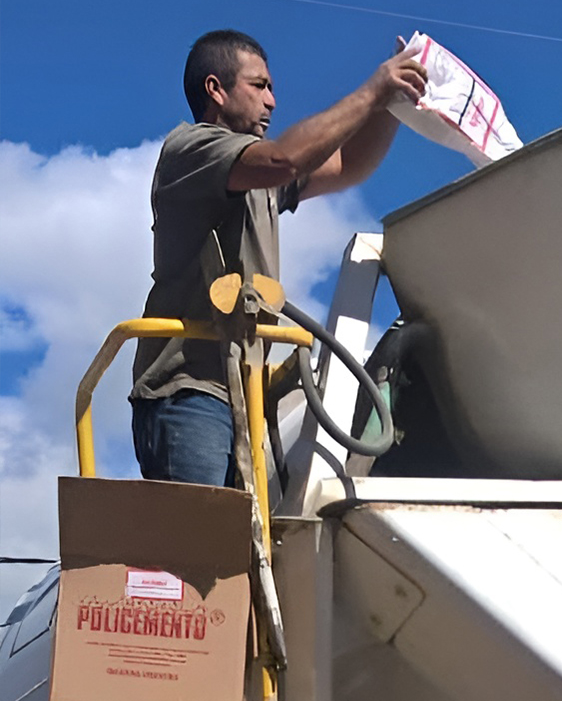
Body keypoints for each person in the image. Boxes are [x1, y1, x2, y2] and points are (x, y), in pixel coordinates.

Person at [130, 29, 427, 486]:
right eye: (259, 86)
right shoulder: (191, 149)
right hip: (189, 392)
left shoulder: (260, 178)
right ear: (216, 90)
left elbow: (346, 165)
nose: (272, 100)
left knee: (252, 555)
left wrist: (392, 104)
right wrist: (374, 89)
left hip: (243, 395)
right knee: (198, 552)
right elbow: (284, 160)